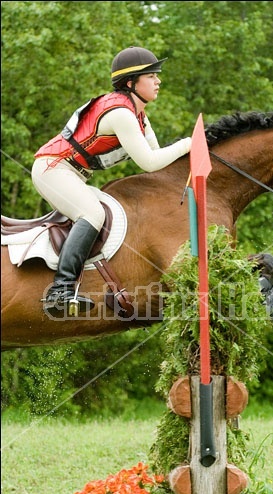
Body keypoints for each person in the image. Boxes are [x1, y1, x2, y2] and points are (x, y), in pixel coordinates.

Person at [32, 46, 192, 317]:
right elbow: (149, 163)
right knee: (92, 213)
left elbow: (156, 159)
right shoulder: (121, 114)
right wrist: (189, 143)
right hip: (52, 168)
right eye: (151, 76)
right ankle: (60, 291)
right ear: (131, 83)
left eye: (156, 75)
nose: (158, 81)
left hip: (71, 172)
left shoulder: (139, 115)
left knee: (103, 210)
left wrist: (189, 150)